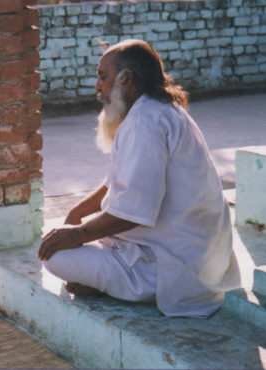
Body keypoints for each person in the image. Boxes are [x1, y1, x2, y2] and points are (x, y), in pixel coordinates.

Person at [38, 39, 241, 318]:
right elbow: (117, 181)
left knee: (54, 256)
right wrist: (77, 212)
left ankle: (119, 286)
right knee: (67, 242)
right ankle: (108, 278)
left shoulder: (146, 121)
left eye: (103, 77)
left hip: (176, 267)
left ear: (127, 79)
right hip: (193, 255)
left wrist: (79, 233)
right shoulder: (152, 112)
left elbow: (134, 212)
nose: (97, 86)